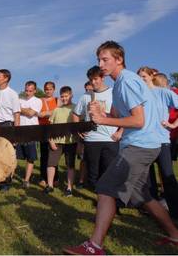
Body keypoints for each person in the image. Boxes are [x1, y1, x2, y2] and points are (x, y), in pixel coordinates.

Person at [64, 41, 178, 255]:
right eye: (99, 60)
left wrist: (102, 121)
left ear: (119, 59)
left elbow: (138, 121)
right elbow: (119, 117)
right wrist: (103, 114)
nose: (101, 64)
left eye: (105, 59)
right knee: (141, 196)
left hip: (141, 145)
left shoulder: (127, 81)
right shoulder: (119, 84)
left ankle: (94, 246)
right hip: (140, 144)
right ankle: (175, 234)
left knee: (106, 188)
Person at [137, 67, 178, 218]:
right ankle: (154, 211)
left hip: (162, 142)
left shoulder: (164, 92)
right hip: (144, 143)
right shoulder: (139, 96)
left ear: (152, 76)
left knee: (168, 177)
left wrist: (173, 125)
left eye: (144, 76)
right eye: (139, 77)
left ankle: (175, 212)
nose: (141, 79)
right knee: (148, 180)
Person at [73, 66, 121, 190]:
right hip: (91, 139)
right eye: (90, 80)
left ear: (102, 78)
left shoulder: (113, 93)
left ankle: (110, 200)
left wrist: (121, 131)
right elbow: (75, 114)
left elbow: (124, 115)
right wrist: (79, 128)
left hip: (110, 139)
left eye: (95, 79)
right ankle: (100, 198)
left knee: (109, 171)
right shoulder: (85, 96)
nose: (93, 82)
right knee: (93, 173)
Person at [44, 86, 76, 197]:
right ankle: (50, 186)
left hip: (71, 142)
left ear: (71, 95)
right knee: (51, 164)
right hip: (56, 142)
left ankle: (69, 188)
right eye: (62, 96)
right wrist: (51, 141)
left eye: (66, 96)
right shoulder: (56, 110)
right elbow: (50, 128)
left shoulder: (76, 108)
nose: (64, 98)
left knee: (70, 165)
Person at [17, 81, 42, 188]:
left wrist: (19, 109)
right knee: (15, 156)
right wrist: (25, 110)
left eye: (30, 91)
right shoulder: (19, 100)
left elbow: (31, 113)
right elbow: (18, 112)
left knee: (30, 158)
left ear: (35, 91)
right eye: (26, 90)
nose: (28, 93)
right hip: (19, 131)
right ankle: (9, 176)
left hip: (31, 132)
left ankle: (26, 180)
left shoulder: (37, 101)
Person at [38, 81, 60, 187]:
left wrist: (46, 113)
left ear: (54, 90)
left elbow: (59, 112)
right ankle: (43, 177)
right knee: (44, 155)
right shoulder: (40, 100)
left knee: (54, 154)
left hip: (55, 130)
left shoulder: (57, 100)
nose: (48, 91)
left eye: (50, 89)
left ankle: (55, 178)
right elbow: (38, 113)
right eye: (46, 89)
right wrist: (52, 112)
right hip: (43, 130)